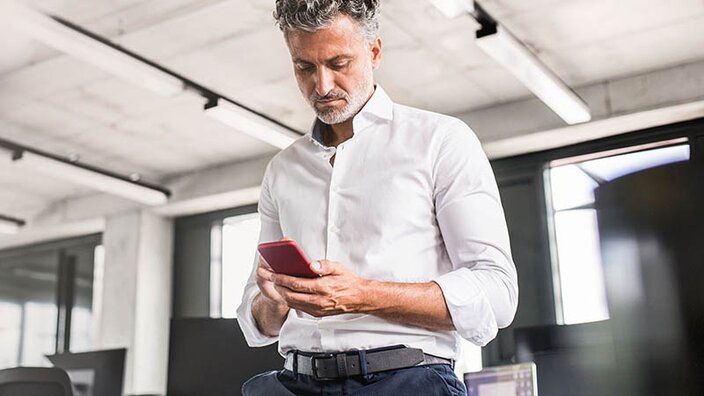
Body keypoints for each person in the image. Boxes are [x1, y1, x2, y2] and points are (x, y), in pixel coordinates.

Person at [236, 1, 518, 394]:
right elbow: (257, 322)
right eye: (304, 67)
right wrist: (275, 301)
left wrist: (361, 295)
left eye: (338, 63)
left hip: (407, 381)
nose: (322, 86)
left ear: (374, 52)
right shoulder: (283, 169)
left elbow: (497, 292)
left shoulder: (440, 141)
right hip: (291, 381)